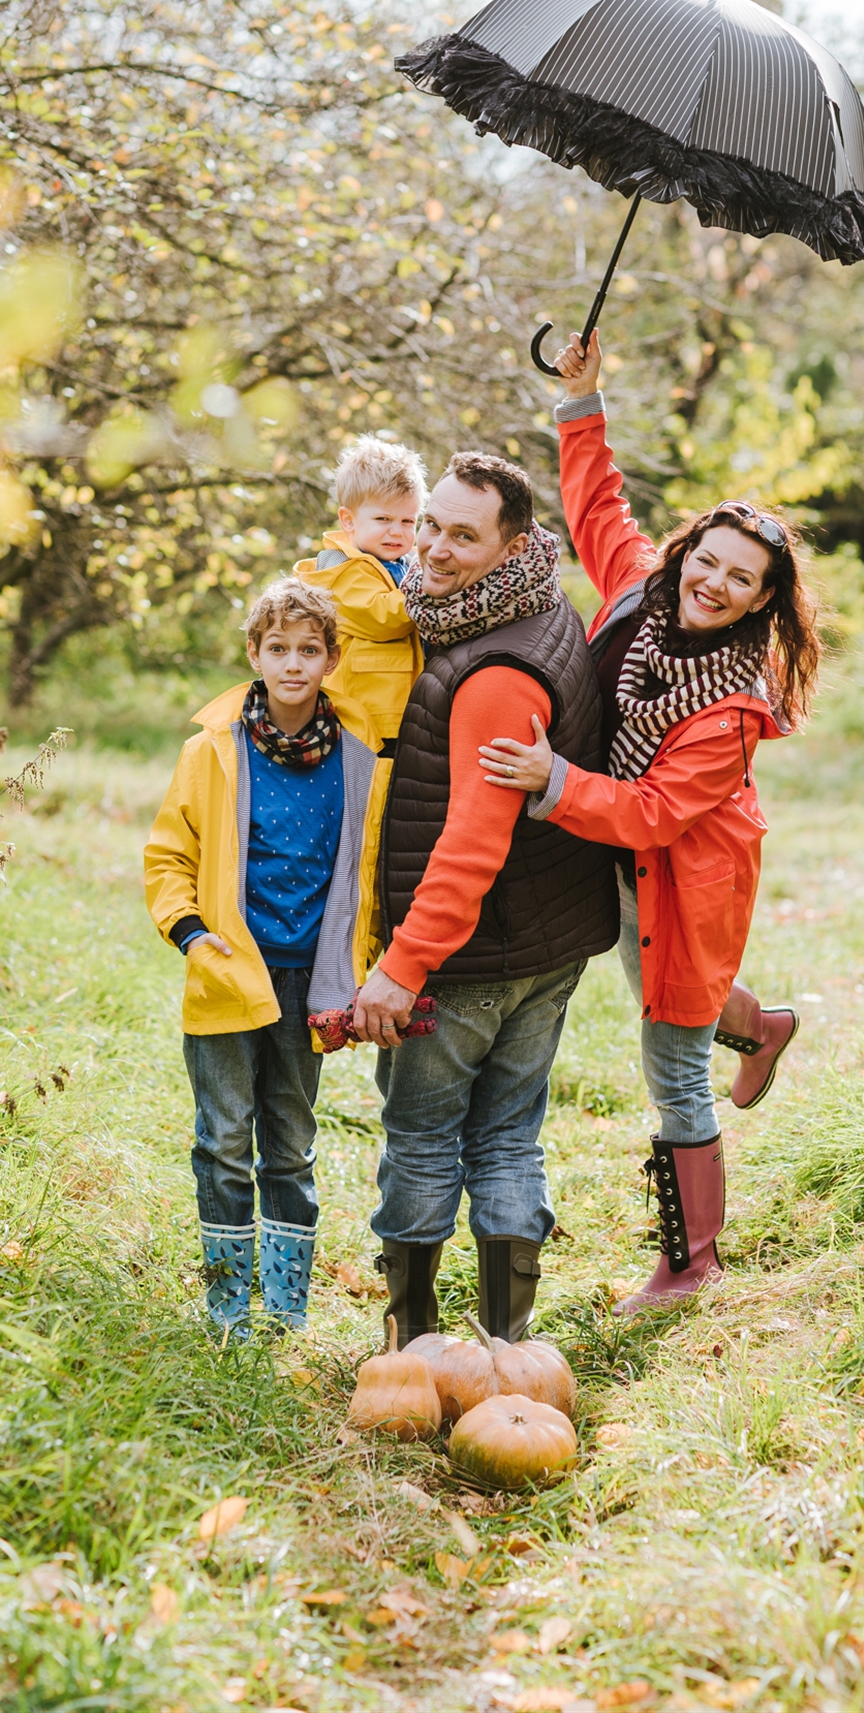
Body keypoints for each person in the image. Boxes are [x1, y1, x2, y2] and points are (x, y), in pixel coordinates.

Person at [478, 330, 821, 1310]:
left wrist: (550, 779)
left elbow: (659, 812)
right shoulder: (639, 587)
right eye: (707, 562)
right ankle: (763, 1027)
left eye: (738, 581)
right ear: (688, 554)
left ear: (762, 602)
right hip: (616, 848)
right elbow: (595, 504)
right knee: (681, 992)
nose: (712, 584)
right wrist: (580, 400)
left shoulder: (731, 704)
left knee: (671, 1052)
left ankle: (691, 1263)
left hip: (684, 868)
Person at [349, 452, 619, 1346]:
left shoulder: (495, 674)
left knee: (429, 1141)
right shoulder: (540, 606)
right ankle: (507, 1345)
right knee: (511, 1133)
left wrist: (402, 966)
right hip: (549, 937)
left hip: (472, 958)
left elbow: (471, 845)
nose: (432, 547)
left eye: (463, 535)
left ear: (512, 546)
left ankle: (414, 1348)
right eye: (431, 522)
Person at [144, 577, 389, 1336]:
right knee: (222, 1137)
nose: (292, 664)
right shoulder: (212, 752)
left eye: (308, 650)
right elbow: (167, 855)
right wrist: (188, 929)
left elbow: (367, 866)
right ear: (254, 653)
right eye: (277, 648)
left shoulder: (357, 757)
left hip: (309, 981)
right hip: (228, 971)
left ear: (331, 659)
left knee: (289, 1142)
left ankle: (284, 1309)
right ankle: (226, 1307)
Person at [294, 435, 427, 744]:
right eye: (383, 519)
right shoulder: (341, 570)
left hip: (398, 708)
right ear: (349, 520)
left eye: (409, 521)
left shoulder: (399, 563)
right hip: (367, 712)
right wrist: (428, 580)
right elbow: (384, 618)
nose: (398, 530)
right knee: (372, 786)